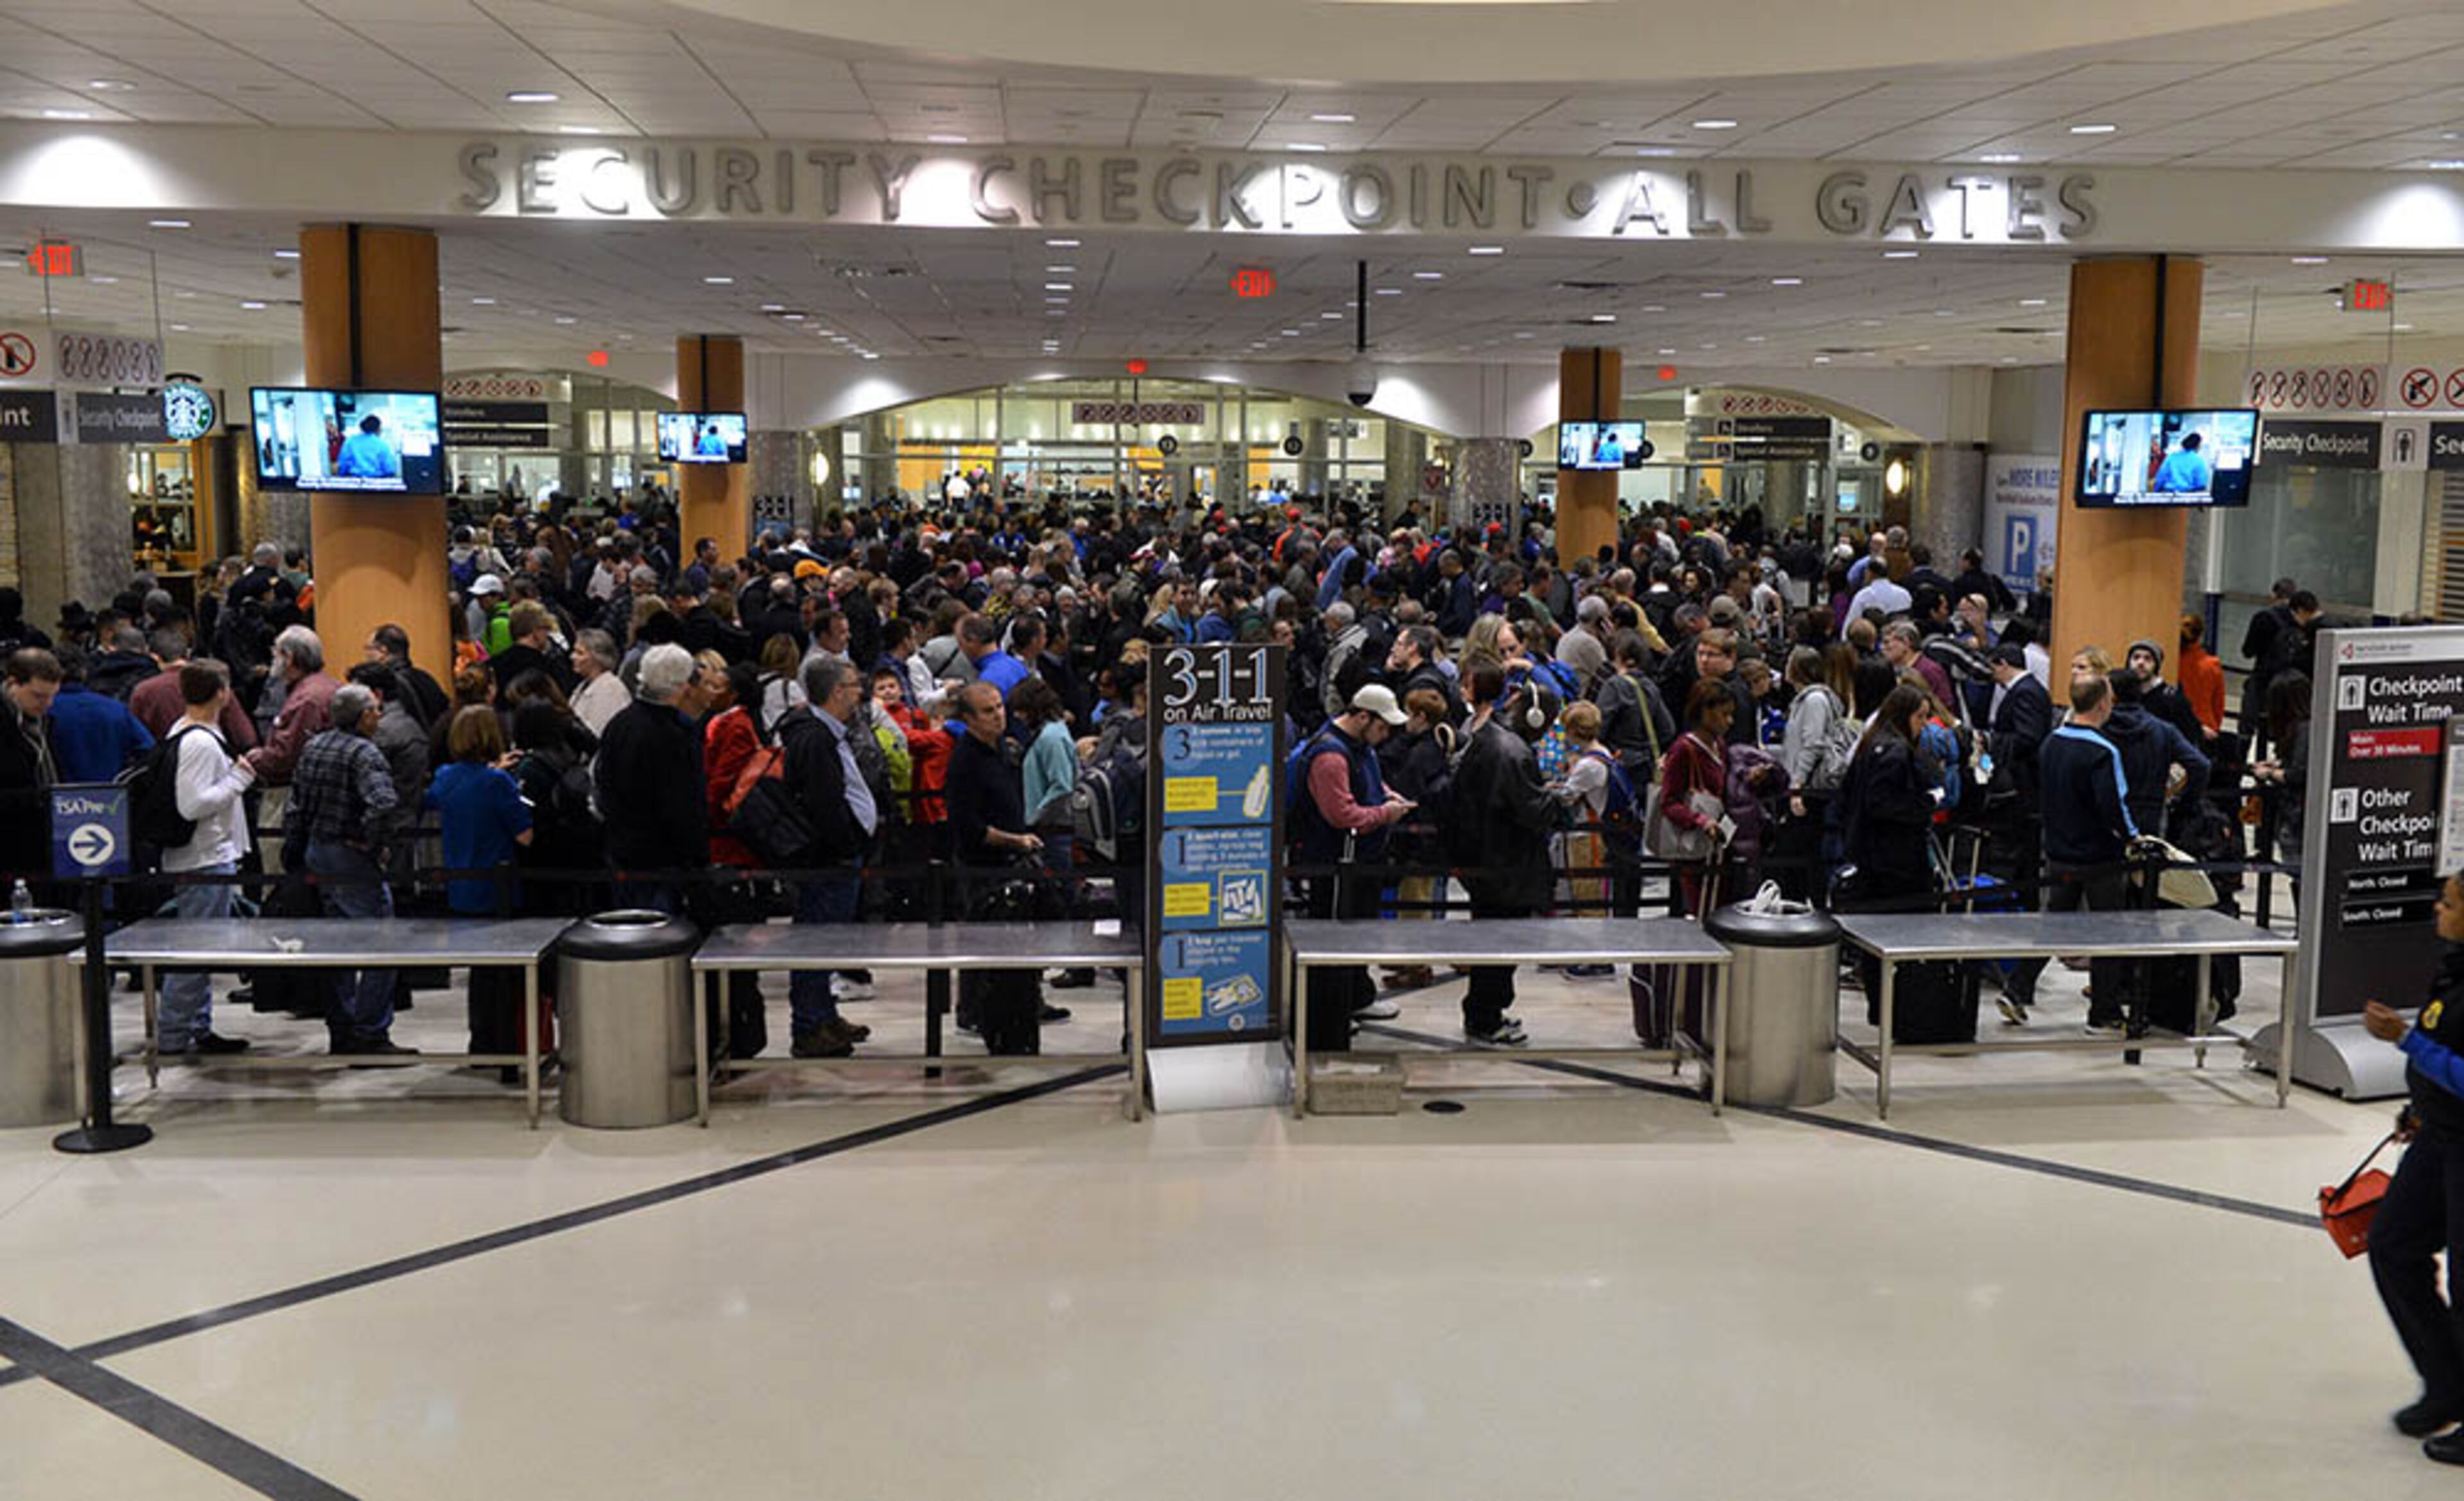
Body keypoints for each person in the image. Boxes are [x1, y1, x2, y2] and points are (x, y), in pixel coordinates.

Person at [2359, 875, 2464, 1463]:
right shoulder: (2454, 968)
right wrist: (2419, 1107)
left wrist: (2405, 1041)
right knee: (2394, 1244)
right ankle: (2447, 1381)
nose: (2438, 909)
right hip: (2440, 1135)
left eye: (2449, 903)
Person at [1999, 674, 2138, 1030]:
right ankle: (2104, 1013)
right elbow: (2113, 806)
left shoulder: (2052, 742)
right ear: (2103, 704)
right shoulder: (2103, 751)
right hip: (2099, 858)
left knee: (2053, 926)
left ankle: (2017, 989)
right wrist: (2133, 839)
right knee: (2109, 933)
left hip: (2060, 850)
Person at [1292, 685, 1416, 1054]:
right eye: (1384, 727)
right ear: (1364, 717)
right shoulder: (1330, 756)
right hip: (1335, 867)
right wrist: (1385, 814)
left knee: (1357, 937)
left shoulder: (1358, 748)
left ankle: (1352, 1000)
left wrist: (1385, 794)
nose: (1387, 735)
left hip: (1360, 863)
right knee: (1333, 945)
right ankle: (1327, 1021)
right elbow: (1342, 815)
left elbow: (1367, 782)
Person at [288, 682, 409, 1056]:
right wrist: (372, 842)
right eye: (374, 709)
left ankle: (341, 1029)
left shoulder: (314, 745)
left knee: (336, 945)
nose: (379, 714)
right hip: (351, 858)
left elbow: (297, 804)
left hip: (317, 852)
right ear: (362, 716)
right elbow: (383, 804)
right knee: (380, 944)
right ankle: (370, 1031)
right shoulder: (365, 753)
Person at [776, 656, 880, 1058]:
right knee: (814, 942)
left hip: (838, 857)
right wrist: (847, 846)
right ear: (837, 691)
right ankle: (809, 1026)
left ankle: (824, 1014)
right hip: (827, 861)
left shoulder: (827, 731)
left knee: (829, 942)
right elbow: (824, 804)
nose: (859, 692)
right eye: (854, 685)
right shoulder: (815, 737)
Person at [151, 660, 256, 1058]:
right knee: (194, 951)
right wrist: (239, 778)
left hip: (206, 855)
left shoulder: (193, 734)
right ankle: (175, 1034)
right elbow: (193, 804)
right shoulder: (198, 742)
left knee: (201, 947)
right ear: (222, 693)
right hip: (204, 858)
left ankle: (197, 1027)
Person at [1449, 662, 1555, 1047]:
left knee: (1493, 941)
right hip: (1506, 864)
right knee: (1500, 943)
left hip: (1485, 858)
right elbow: (1530, 810)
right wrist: (1561, 801)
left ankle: (1486, 1009)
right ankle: (1484, 1016)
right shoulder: (1513, 751)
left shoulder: (1490, 738)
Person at [422, 706, 535, 1065]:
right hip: (497, 887)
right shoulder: (498, 783)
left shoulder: (444, 776)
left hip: (461, 885)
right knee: (502, 976)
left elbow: (445, 796)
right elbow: (525, 836)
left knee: (479, 975)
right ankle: (503, 1048)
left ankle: (481, 1043)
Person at [594, 643, 709, 915]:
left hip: (620, 852)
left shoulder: (619, 723)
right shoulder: (676, 734)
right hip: (663, 862)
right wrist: (698, 858)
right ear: (683, 686)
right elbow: (683, 804)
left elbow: (601, 781)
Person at [42, 648, 153, 784]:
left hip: (59, 795)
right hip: (112, 795)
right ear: (84, 672)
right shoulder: (116, 709)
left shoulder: (44, 710)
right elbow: (148, 749)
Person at [1, 649, 61, 884]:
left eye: (52, 696)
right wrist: (40, 797)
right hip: (9, 848)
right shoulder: (7, 725)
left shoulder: (44, 723)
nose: (47, 704)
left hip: (43, 847)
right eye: (38, 696)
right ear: (13, 684)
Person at [568, 628, 630, 735]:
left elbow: (597, 733)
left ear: (598, 658)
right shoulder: (585, 684)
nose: (572, 657)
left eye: (580, 653)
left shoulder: (610, 690)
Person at [2176, 613, 2227, 738]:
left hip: (2178, 727)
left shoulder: (2172, 663)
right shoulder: (2212, 665)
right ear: (2200, 635)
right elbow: (2218, 704)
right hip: (2207, 728)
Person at [334, 413, 400, 480]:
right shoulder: (382, 444)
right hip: (377, 481)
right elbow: (390, 469)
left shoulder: (351, 441)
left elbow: (343, 464)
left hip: (354, 480)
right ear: (378, 429)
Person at [2152, 430, 2211, 494]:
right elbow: (2200, 484)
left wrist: (2156, 493)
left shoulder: (2172, 457)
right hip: (2188, 496)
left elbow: (2160, 478)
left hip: (2168, 495)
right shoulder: (2199, 461)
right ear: (2198, 446)